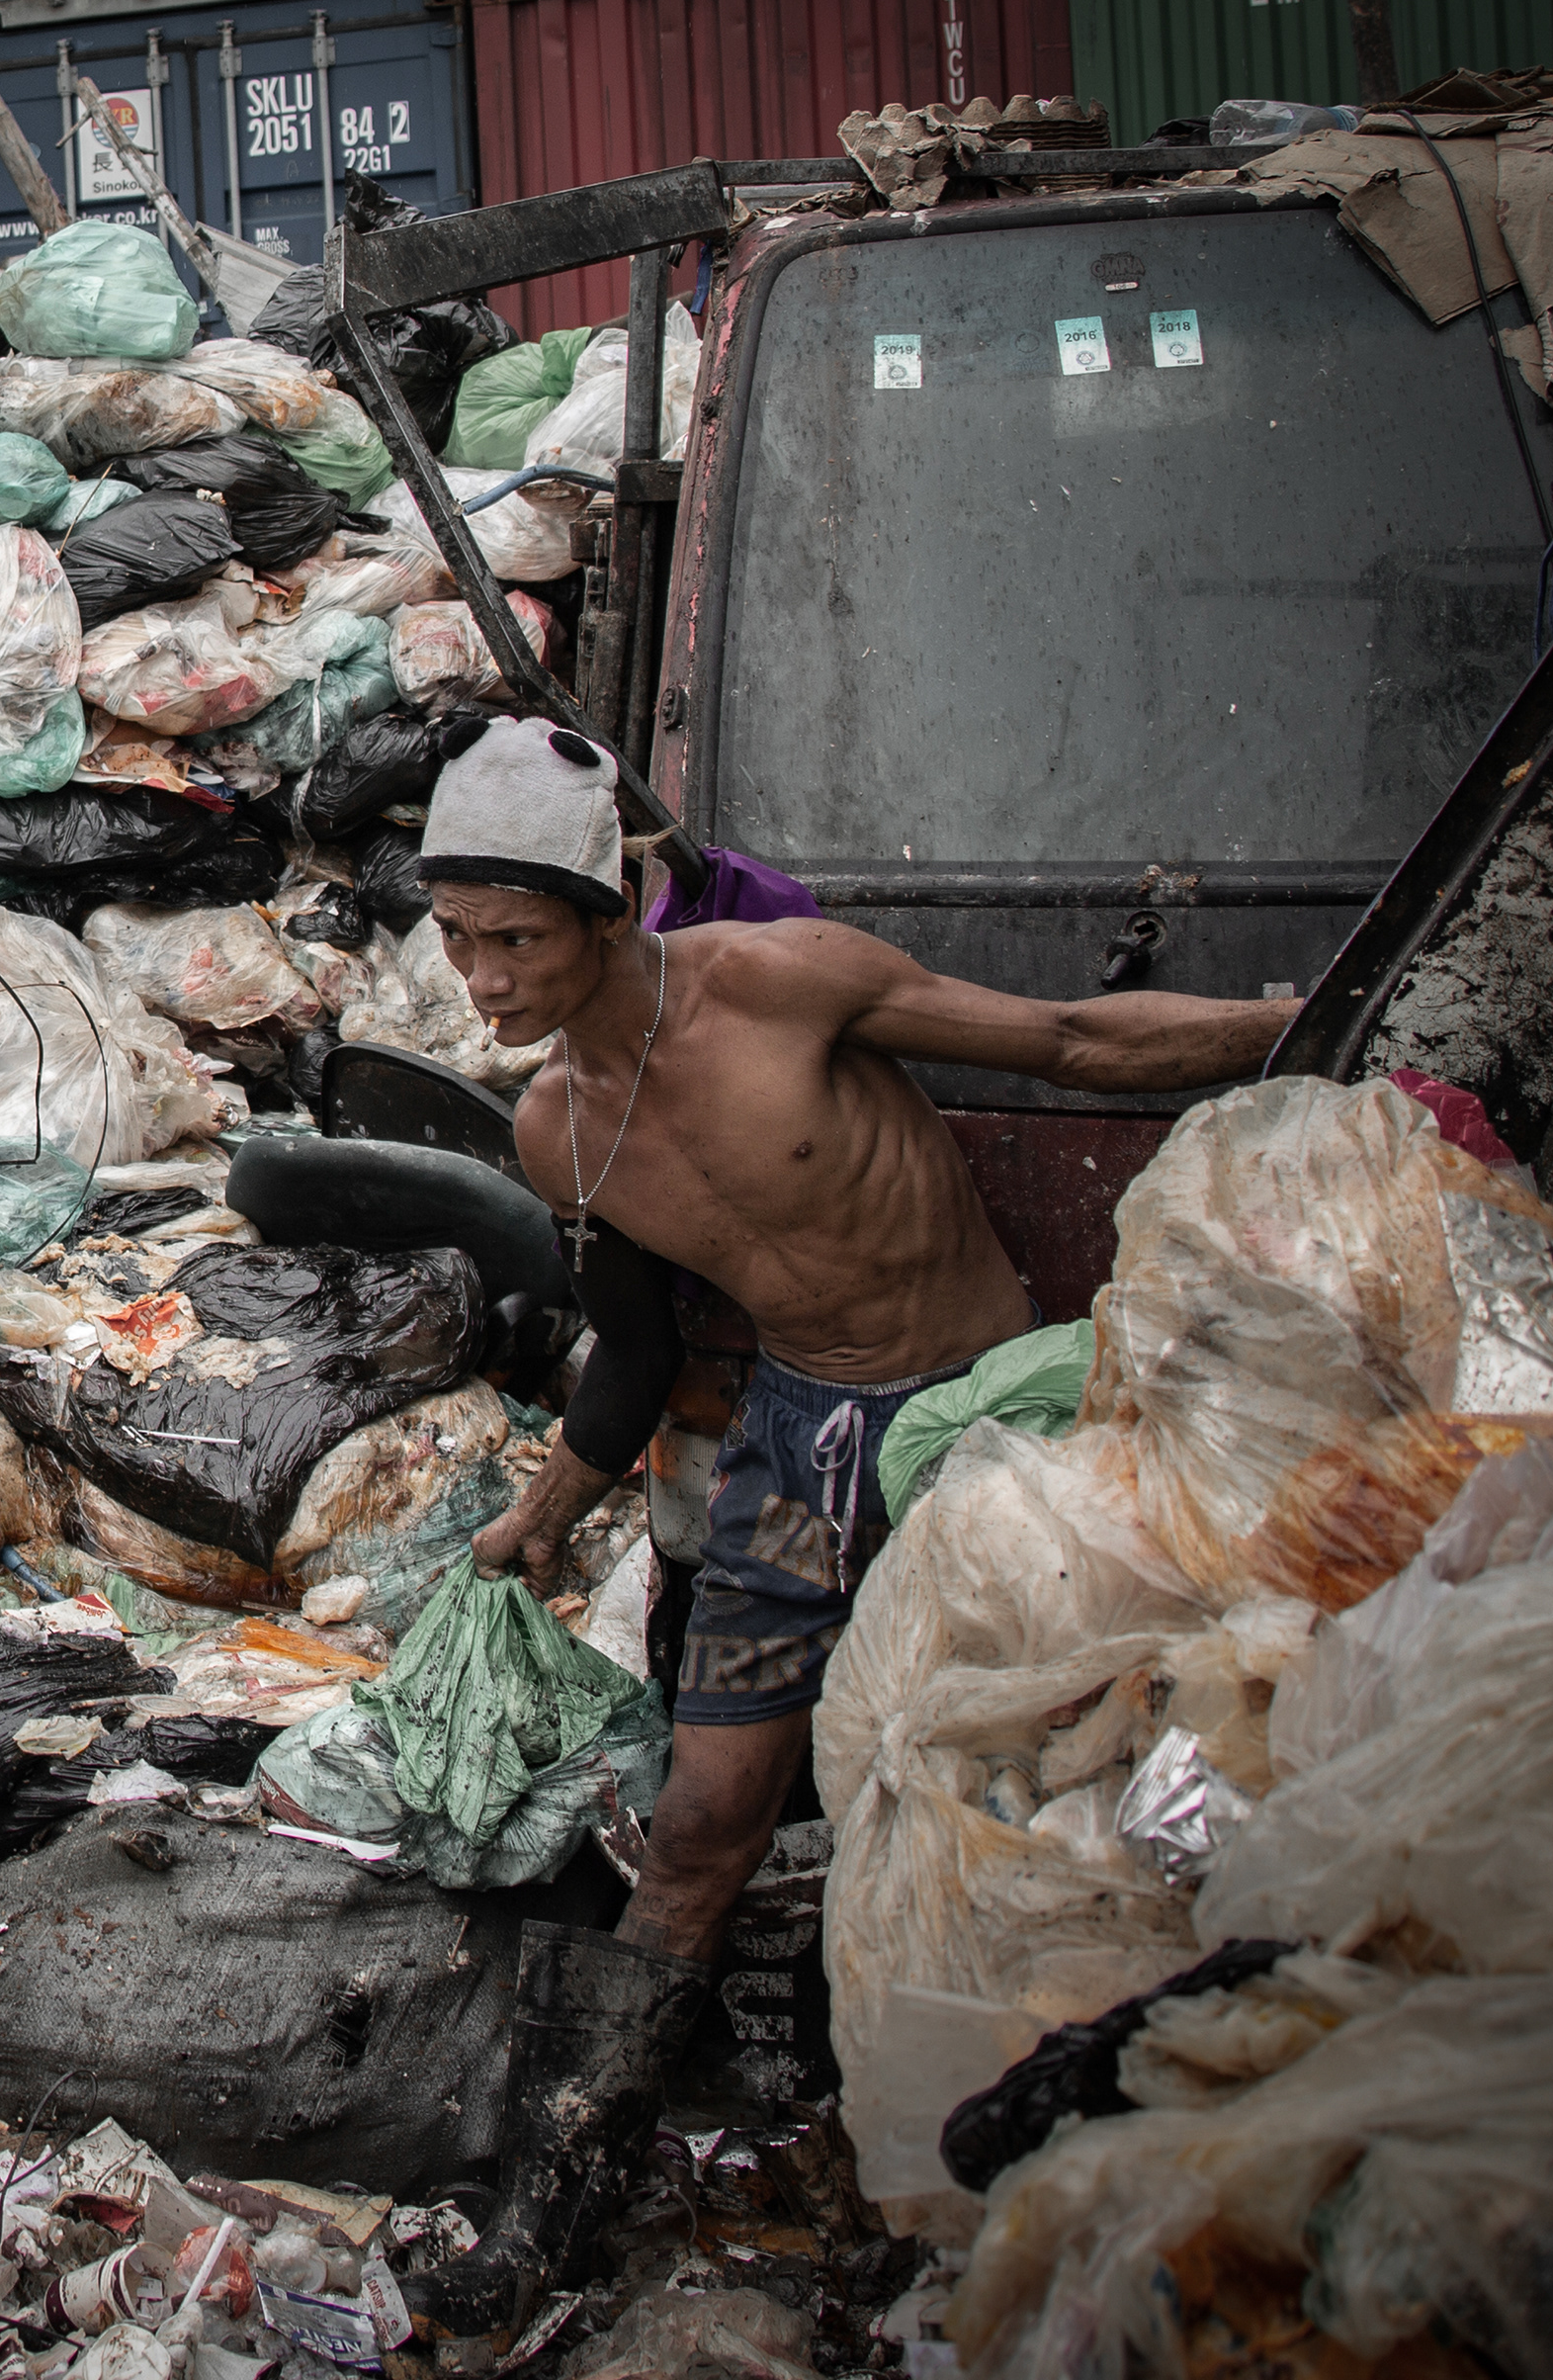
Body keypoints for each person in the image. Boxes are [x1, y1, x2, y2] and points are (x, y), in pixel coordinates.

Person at [400, 717, 1296, 2335]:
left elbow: (1071, 1042)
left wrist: (1289, 1029)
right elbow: (645, 1352)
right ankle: (562, 2176)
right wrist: (540, 1511)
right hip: (803, 1444)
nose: (481, 976)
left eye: (513, 936)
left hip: (987, 1421)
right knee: (699, 1819)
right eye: (458, 938)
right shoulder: (557, 1131)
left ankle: (1081, 2179)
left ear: (606, 907)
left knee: (1047, 1796)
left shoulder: (782, 981)